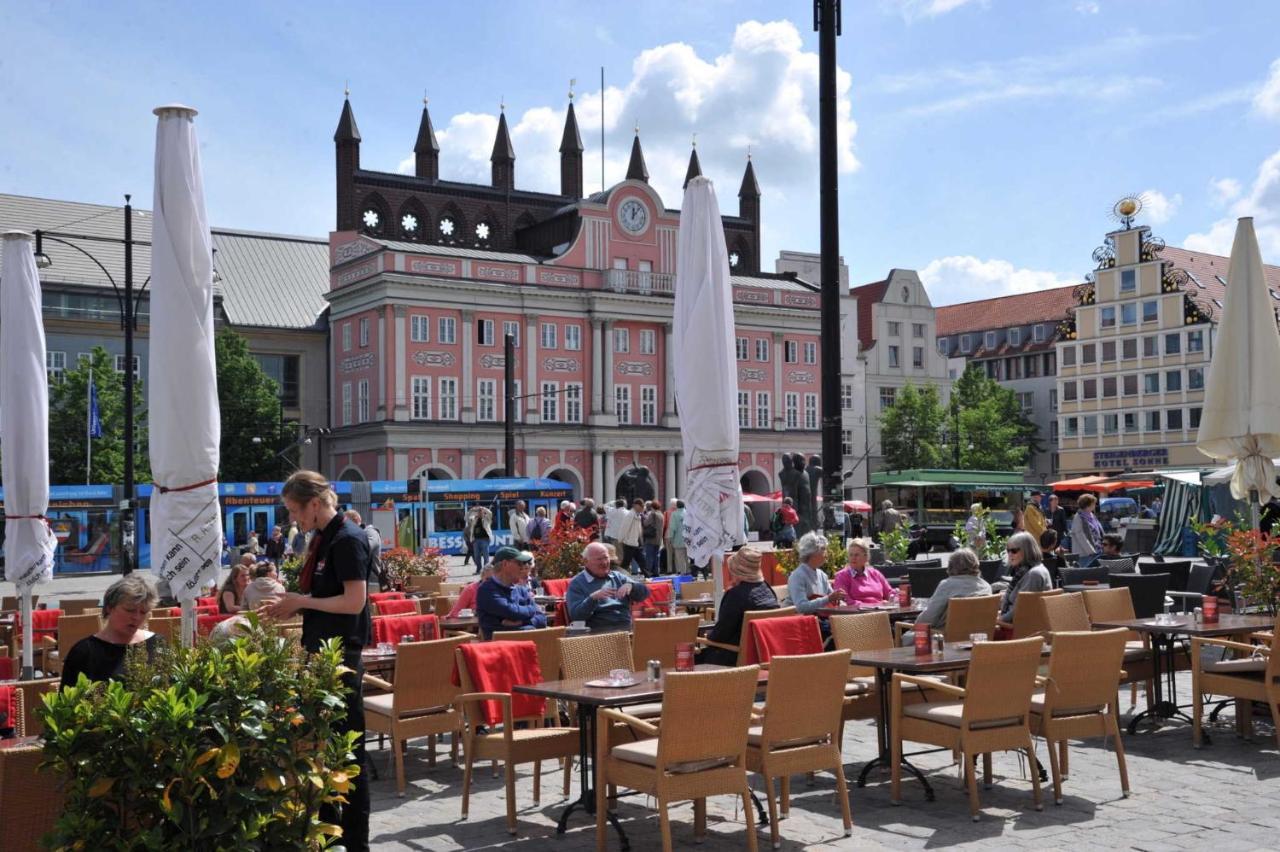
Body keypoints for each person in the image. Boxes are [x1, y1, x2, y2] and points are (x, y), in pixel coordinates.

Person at [261, 470, 372, 849]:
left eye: (295, 510)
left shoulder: (346, 540)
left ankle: (356, 842)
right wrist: (292, 605)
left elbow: (354, 602)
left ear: (314, 503)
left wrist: (302, 602)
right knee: (327, 752)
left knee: (348, 754)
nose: (294, 519)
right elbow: (326, 597)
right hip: (322, 655)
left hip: (341, 657)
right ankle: (329, 833)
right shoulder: (325, 538)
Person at [60, 575, 164, 687]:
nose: (137, 617)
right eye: (130, 610)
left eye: (143, 612)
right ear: (109, 607)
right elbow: (67, 700)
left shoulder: (158, 643)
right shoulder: (84, 652)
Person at [697, 548, 778, 666]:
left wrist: (705, 636)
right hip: (763, 656)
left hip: (734, 657)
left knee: (689, 657)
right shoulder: (768, 590)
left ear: (737, 572)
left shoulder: (735, 595)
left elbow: (719, 636)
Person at [566, 541, 651, 633]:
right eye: (599, 559)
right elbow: (576, 616)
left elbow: (645, 593)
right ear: (586, 561)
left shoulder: (617, 577)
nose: (605, 562)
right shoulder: (577, 583)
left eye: (606, 558)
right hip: (597, 633)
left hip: (625, 629)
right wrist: (593, 598)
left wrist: (632, 586)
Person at [906, 548, 991, 640]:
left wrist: (913, 625)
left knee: (905, 636)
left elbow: (928, 618)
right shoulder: (986, 586)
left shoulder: (947, 585)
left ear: (951, 566)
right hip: (978, 638)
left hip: (944, 638)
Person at [475, 546, 546, 639]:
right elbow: (511, 611)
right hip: (500, 648)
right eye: (519, 563)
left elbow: (542, 619)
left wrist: (523, 622)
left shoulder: (521, 589)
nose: (523, 567)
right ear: (505, 564)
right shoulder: (487, 590)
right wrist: (532, 612)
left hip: (525, 642)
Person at [786, 531, 846, 638]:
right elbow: (801, 607)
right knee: (840, 631)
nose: (827, 553)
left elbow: (832, 598)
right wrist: (828, 599)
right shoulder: (797, 576)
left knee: (849, 625)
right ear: (813, 554)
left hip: (820, 621)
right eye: (824, 550)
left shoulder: (821, 575)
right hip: (802, 624)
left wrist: (840, 601)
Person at [997, 531, 1052, 627]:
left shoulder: (1034, 574)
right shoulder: (1027, 570)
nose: (1010, 554)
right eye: (1008, 551)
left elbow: (1019, 609)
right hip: (1018, 625)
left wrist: (999, 619)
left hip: (1019, 630)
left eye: (1014, 551)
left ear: (1026, 551)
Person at [832, 538, 894, 605]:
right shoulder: (842, 576)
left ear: (866, 557)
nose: (853, 558)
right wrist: (872, 606)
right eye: (851, 555)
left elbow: (890, 593)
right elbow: (846, 601)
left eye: (856, 555)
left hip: (880, 611)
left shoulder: (875, 574)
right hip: (858, 613)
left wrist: (895, 598)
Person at [1069, 493, 1103, 567]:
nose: (1095, 505)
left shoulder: (1092, 515)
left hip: (1097, 551)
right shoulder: (1078, 517)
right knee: (1085, 575)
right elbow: (1080, 536)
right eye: (1093, 503)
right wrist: (1091, 551)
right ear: (1088, 505)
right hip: (1085, 554)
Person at [618, 499, 645, 575]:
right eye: (641, 506)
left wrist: (640, 540)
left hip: (635, 542)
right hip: (629, 543)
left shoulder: (637, 515)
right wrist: (620, 539)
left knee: (641, 561)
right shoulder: (630, 515)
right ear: (636, 506)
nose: (642, 508)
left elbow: (639, 530)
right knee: (626, 562)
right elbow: (624, 528)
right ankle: (620, 576)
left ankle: (648, 576)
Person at [641, 501, 665, 577]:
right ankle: (656, 572)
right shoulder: (661, 514)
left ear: (652, 507)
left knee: (649, 556)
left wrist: (643, 518)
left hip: (651, 538)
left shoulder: (653, 514)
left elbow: (646, 523)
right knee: (656, 556)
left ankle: (649, 572)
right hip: (658, 539)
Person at [467, 505, 493, 573]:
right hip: (476, 540)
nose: (479, 513)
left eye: (481, 512)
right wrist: (471, 510)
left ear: (483, 512)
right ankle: (478, 569)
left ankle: (485, 570)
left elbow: (490, 513)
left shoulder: (487, 519)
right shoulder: (474, 519)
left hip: (485, 539)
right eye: (478, 512)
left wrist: (483, 508)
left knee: (485, 555)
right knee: (476, 556)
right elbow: (466, 517)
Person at [667, 500, 688, 575]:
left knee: (680, 558)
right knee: (687, 557)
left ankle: (683, 573)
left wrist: (670, 538)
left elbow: (673, 528)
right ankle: (688, 572)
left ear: (677, 506)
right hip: (688, 540)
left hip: (678, 540)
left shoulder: (674, 514)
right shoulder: (688, 513)